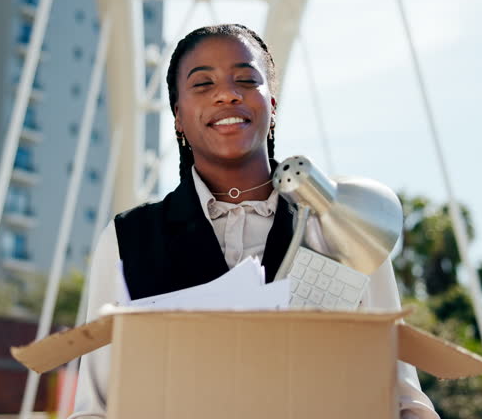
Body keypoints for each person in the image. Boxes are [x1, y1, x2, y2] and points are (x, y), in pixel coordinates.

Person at [71, 24, 439, 419]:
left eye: (245, 79)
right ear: (178, 116)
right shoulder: (129, 239)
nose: (227, 93)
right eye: (202, 84)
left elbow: (404, 401)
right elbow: (97, 408)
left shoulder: (343, 224)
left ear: (273, 104)